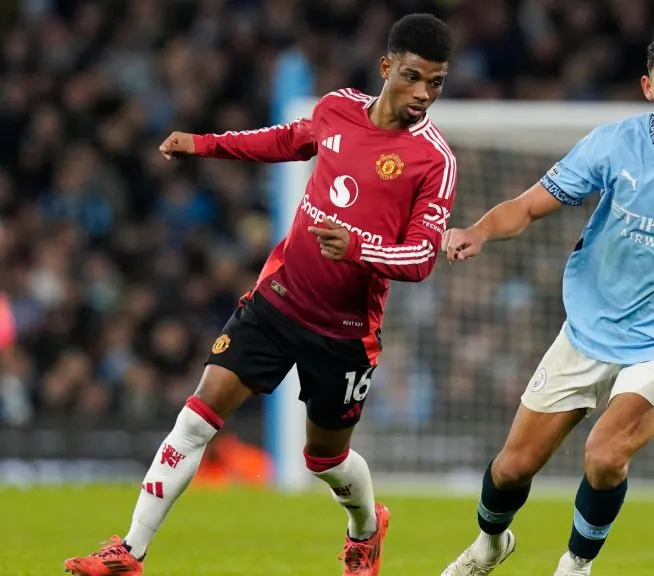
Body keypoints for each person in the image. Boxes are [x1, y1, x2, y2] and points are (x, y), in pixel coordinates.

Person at [63, 13, 456, 576]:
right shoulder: (336, 108)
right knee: (197, 417)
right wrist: (205, 144)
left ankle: (367, 529)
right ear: (386, 67)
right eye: (414, 77)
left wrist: (357, 246)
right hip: (277, 300)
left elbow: (419, 257)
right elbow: (284, 141)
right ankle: (129, 550)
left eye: (436, 83)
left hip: (344, 332)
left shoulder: (434, 160)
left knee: (325, 459)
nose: (423, 94)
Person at [439, 27, 654, 576]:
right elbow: (527, 206)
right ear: (648, 87)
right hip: (586, 331)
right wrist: (480, 230)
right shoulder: (613, 144)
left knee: (603, 455)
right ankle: (489, 545)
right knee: (511, 468)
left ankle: (575, 565)